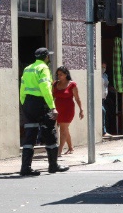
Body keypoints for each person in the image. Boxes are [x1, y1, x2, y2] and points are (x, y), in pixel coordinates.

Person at [18, 48, 68, 176]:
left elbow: (22, 87)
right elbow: (45, 88)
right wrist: (52, 107)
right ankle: (53, 166)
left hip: (28, 103)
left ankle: (25, 168)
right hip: (41, 103)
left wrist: (24, 103)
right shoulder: (43, 68)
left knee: (30, 135)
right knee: (49, 132)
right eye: (48, 56)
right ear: (46, 57)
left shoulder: (28, 68)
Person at [52, 66, 84, 156]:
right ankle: (71, 148)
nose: (59, 76)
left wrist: (81, 110)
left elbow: (77, 98)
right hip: (57, 109)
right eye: (58, 74)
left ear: (66, 74)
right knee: (65, 129)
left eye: (61, 74)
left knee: (63, 129)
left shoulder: (72, 84)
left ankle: (59, 151)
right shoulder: (55, 84)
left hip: (68, 109)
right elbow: (52, 96)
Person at [101, 62, 111, 137]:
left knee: (104, 112)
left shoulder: (105, 75)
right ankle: (103, 131)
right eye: (102, 67)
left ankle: (104, 130)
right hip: (99, 98)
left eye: (105, 67)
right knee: (103, 111)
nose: (103, 69)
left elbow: (106, 85)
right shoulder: (97, 75)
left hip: (104, 97)